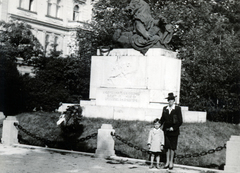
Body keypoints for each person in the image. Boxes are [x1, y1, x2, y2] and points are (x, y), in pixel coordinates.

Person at [160, 93, 183, 170]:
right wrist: (157, 125)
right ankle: (167, 162)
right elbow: (162, 119)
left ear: (174, 101)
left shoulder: (177, 109)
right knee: (166, 147)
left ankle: (171, 162)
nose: (170, 101)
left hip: (174, 131)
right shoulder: (165, 108)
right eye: (169, 100)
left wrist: (173, 128)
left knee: (172, 147)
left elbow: (180, 121)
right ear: (168, 101)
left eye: (172, 100)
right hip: (166, 131)